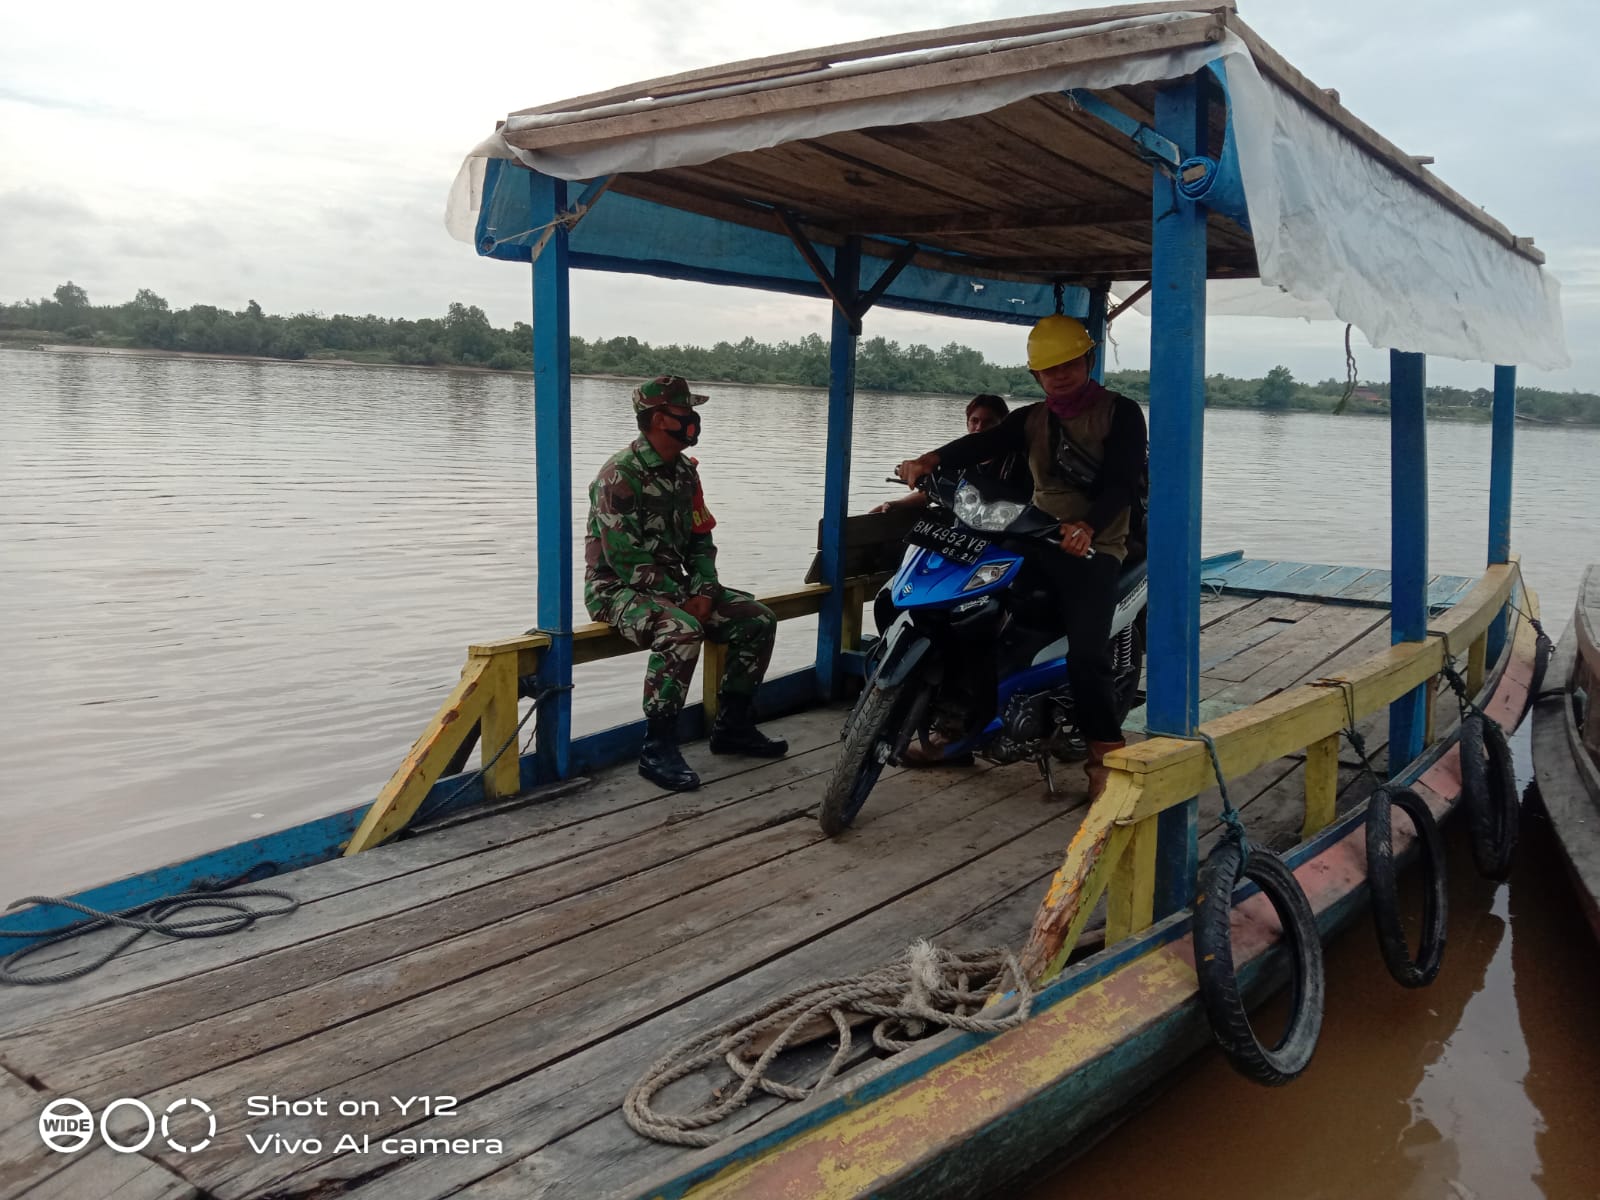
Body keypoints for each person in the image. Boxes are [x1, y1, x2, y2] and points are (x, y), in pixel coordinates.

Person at [894, 316, 1147, 802]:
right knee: (966, 611)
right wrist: (930, 460)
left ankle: (1104, 756)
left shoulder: (1122, 413)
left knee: (1088, 653)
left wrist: (1089, 527)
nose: (1059, 375)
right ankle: (957, 728)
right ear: (1036, 376)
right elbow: (981, 444)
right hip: (1035, 535)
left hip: (1095, 544)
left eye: (1069, 363)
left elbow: (1121, 481)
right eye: (1048, 369)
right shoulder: (1031, 418)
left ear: (1088, 361)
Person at [585, 375, 788, 793]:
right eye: (686, 414)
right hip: (616, 591)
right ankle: (657, 748)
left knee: (757, 620)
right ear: (659, 418)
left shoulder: (685, 474)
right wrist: (684, 599)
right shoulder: (619, 475)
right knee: (682, 630)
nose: (694, 422)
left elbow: (700, 538)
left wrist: (705, 589)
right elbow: (626, 560)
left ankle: (732, 727)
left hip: (676, 587)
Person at [870, 394, 1030, 513]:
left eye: (988, 423)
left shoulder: (1020, 461)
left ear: (1002, 428)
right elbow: (929, 494)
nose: (979, 428)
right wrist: (894, 504)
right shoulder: (955, 458)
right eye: (974, 421)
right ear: (967, 423)